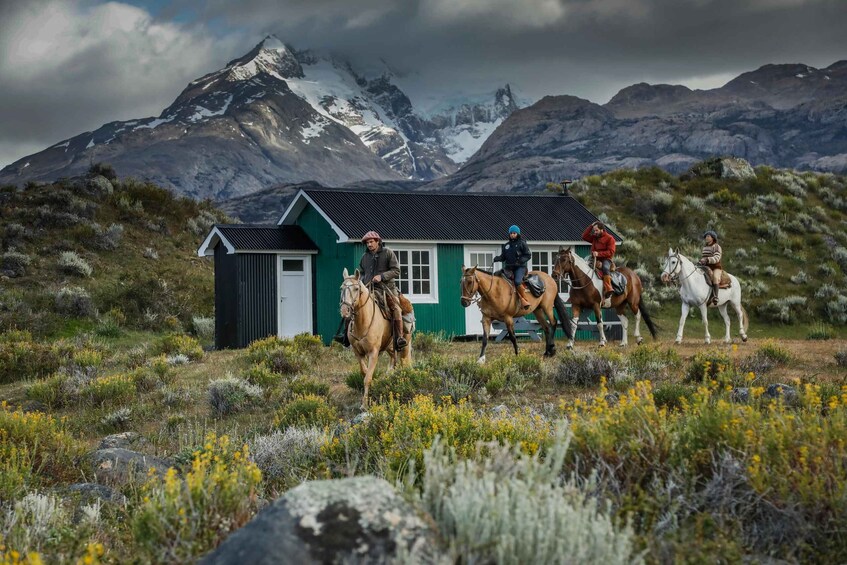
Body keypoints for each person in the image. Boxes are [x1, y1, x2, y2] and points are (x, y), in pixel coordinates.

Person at [334, 231, 407, 349]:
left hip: (387, 288)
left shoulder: (388, 253)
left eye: (371, 242)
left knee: (396, 308)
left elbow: (396, 270)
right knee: (352, 305)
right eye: (367, 242)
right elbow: (362, 273)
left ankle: (399, 338)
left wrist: (382, 276)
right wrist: (360, 281)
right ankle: (345, 336)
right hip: (368, 288)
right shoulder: (365, 257)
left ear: (377, 241)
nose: (369, 244)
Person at [493, 225, 532, 310]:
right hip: (509, 268)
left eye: (514, 233)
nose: (512, 235)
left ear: (517, 234)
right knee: (497, 276)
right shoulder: (506, 245)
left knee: (517, 281)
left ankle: (525, 299)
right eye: (511, 233)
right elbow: (503, 257)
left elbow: (528, 255)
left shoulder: (522, 243)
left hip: (520, 267)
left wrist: (520, 261)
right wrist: (497, 258)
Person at [581, 220, 616, 308]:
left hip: (606, 259)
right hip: (594, 259)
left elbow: (611, 252)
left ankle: (608, 288)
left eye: (596, 230)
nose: (594, 232)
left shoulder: (610, 238)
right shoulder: (594, 237)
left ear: (602, 230)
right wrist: (591, 226)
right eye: (594, 230)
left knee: (605, 268)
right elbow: (584, 236)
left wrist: (598, 254)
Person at [698, 230, 723, 305]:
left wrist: (707, 259)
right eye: (706, 236)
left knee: (715, 277)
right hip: (706, 267)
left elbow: (717, 257)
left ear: (713, 238)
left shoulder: (717, 246)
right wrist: (701, 261)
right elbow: (704, 257)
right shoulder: (705, 247)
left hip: (715, 267)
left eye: (708, 236)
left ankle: (715, 296)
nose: (706, 237)